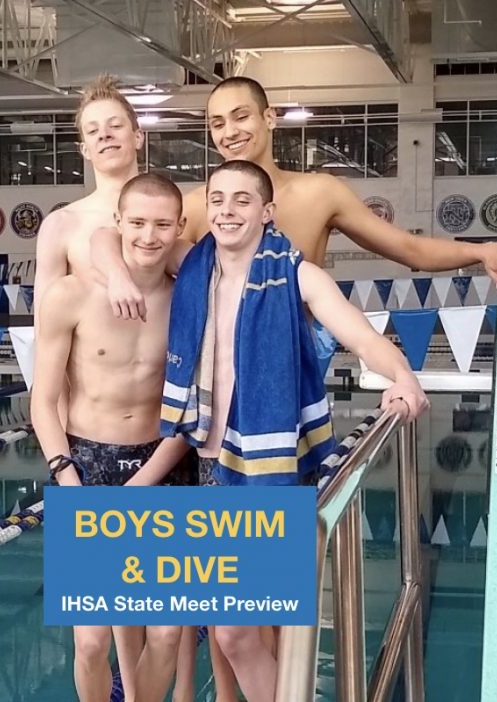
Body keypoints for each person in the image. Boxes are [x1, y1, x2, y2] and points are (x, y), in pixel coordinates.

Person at [159, 160, 429, 702]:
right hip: (209, 468)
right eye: (218, 199)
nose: (227, 210)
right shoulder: (192, 269)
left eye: (242, 199)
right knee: (232, 632)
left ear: (267, 211)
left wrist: (403, 377)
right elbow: (111, 240)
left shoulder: (300, 275)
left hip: (271, 469)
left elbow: (362, 337)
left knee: (237, 630)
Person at [97, 76, 497, 375]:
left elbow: (407, 250)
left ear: (268, 118)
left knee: (291, 506)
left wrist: (481, 250)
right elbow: (120, 243)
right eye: (217, 123)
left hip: (295, 362)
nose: (229, 131)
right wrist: (116, 274)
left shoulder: (319, 192)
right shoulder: (201, 206)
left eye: (241, 116)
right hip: (221, 368)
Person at [32, 173, 191, 702]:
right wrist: (65, 476)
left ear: (179, 228)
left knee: (167, 632)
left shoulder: (189, 304)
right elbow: (42, 400)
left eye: (162, 224)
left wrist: (146, 480)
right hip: (87, 464)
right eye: (138, 222)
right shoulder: (70, 296)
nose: (149, 235)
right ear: (118, 223)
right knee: (92, 642)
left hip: (163, 462)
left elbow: (193, 407)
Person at [32, 74, 145, 310]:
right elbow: (45, 322)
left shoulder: (171, 215)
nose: (105, 134)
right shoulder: (60, 225)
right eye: (93, 131)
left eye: (115, 126)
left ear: (138, 137)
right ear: (85, 150)